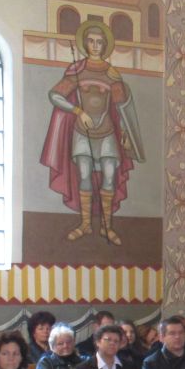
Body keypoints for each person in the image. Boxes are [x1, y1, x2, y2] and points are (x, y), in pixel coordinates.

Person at [41, 19, 144, 247]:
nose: (95, 46)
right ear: (85, 44)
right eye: (91, 41)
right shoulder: (77, 71)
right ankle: (86, 224)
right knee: (85, 176)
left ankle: (107, 226)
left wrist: (126, 133)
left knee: (109, 176)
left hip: (107, 132)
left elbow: (121, 106)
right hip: (82, 132)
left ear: (105, 45)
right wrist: (78, 111)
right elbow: (54, 95)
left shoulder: (111, 74)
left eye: (99, 42)